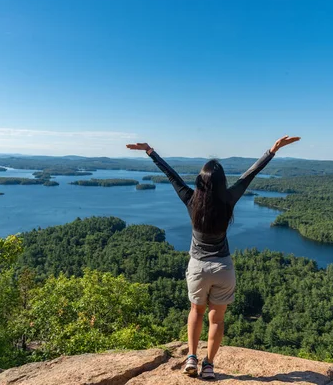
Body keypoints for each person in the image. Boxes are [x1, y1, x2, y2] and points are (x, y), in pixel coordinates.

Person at [126, 135, 300, 379]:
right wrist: (272, 151)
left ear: (200, 181)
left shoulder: (191, 200)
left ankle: (191, 358)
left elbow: (172, 176)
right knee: (216, 320)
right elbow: (248, 176)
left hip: (198, 269)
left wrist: (150, 152)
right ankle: (209, 365)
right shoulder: (228, 200)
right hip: (223, 269)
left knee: (195, 312)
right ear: (221, 183)